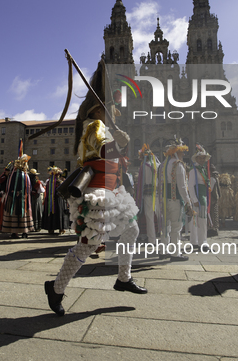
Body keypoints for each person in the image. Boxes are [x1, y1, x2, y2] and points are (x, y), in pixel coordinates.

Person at [45, 61, 147, 317]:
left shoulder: (103, 127)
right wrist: (121, 144)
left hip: (112, 192)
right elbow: (101, 151)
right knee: (88, 244)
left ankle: (123, 278)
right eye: (108, 107)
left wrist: (119, 143)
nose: (113, 110)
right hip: (99, 194)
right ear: (98, 109)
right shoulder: (95, 126)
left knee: (131, 229)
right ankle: (56, 288)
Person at [157, 137, 195, 261]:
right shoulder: (178, 165)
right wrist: (188, 202)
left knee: (165, 226)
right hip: (175, 200)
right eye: (181, 151)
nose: (183, 154)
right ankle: (175, 253)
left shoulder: (162, 165)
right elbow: (182, 187)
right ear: (176, 152)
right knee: (176, 227)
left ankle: (163, 251)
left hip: (163, 200)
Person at [1, 155, 34, 238]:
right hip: (23, 199)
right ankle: (25, 231)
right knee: (23, 214)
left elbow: (8, 187)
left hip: (12, 198)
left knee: (14, 215)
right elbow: (29, 188)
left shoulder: (12, 175)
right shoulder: (25, 175)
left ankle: (14, 232)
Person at [188, 144, 213, 249]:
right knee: (201, 220)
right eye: (200, 158)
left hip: (203, 196)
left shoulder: (202, 170)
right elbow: (190, 185)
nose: (202, 160)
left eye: (203, 158)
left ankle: (195, 241)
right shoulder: (194, 170)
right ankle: (202, 242)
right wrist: (194, 199)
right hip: (199, 197)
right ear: (196, 158)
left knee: (198, 220)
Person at [136, 144, 160, 244]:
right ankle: (164, 238)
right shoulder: (158, 165)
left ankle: (152, 239)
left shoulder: (143, 166)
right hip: (158, 193)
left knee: (149, 216)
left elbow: (141, 182)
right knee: (160, 216)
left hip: (148, 194)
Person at [41, 166, 67, 235]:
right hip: (58, 200)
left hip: (50, 200)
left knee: (51, 213)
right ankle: (61, 228)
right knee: (59, 213)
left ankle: (50, 228)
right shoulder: (59, 182)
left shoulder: (49, 182)